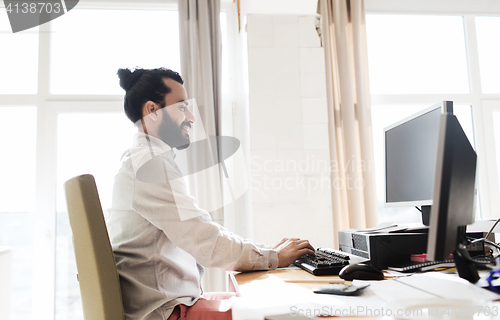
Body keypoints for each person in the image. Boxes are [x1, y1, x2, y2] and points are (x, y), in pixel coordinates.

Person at [108, 67, 315, 320]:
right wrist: (274, 257)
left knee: (268, 300)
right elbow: (205, 241)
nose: (192, 117)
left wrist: (268, 252)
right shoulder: (148, 165)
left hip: (172, 303)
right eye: (182, 107)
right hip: (165, 312)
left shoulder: (145, 160)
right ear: (152, 110)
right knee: (290, 312)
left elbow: (202, 230)